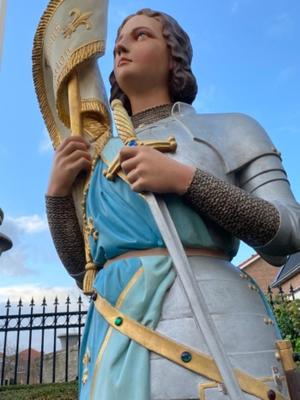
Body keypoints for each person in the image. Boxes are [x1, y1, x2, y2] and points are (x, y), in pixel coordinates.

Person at [46, 8, 300, 400]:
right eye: (118, 41)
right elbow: (86, 273)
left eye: (141, 35)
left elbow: (288, 232)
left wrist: (186, 181)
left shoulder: (232, 129)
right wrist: (58, 196)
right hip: (113, 336)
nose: (121, 46)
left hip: (217, 329)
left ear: (175, 56)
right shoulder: (101, 160)